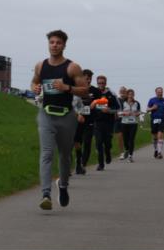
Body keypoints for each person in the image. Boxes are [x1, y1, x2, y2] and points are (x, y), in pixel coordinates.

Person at [31, 30, 88, 210]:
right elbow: (34, 82)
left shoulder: (72, 67)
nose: (54, 45)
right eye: (52, 42)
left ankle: (63, 185)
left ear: (64, 45)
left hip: (66, 116)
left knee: (64, 155)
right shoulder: (41, 66)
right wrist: (35, 88)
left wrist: (67, 88)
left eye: (58, 43)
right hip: (46, 115)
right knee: (46, 153)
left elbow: (85, 90)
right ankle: (45, 194)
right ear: (48, 44)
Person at [89, 74, 119, 171]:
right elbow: (89, 106)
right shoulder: (93, 93)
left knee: (107, 143)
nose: (101, 85)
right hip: (97, 122)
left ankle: (108, 153)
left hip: (108, 122)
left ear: (105, 83)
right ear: (97, 83)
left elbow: (117, 108)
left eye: (103, 83)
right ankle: (101, 164)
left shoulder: (111, 94)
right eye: (99, 83)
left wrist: (109, 110)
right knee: (98, 143)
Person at [77, 69, 98, 172]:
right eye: (86, 78)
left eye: (90, 78)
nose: (88, 80)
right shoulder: (76, 89)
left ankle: (83, 164)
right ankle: (77, 163)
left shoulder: (95, 91)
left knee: (87, 142)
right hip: (77, 120)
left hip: (89, 120)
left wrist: (96, 104)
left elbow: (102, 103)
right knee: (76, 143)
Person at [118, 88, 142, 162]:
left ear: (134, 95)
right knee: (125, 140)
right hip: (124, 123)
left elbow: (139, 112)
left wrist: (137, 114)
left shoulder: (137, 103)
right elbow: (118, 113)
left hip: (133, 124)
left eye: (132, 94)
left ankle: (130, 156)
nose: (130, 96)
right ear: (127, 95)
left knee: (131, 139)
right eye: (129, 94)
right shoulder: (123, 103)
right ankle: (127, 150)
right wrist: (124, 113)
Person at [146, 87, 164, 159]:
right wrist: (152, 108)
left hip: (162, 119)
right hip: (154, 119)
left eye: (161, 92)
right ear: (156, 92)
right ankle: (156, 150)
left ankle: (159, 152)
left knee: (160, 135)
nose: (160, 93)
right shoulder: (152, 100)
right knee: (154, 137)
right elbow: (147, 109)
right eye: (159, 92)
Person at [116, 86, 128, 159]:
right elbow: (113, 109)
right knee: (120, 136)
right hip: (118, 120)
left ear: (126, 92)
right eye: (121, 91)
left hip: (127, 121)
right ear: (119, 92)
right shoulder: (116, 100)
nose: (122, 92)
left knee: (126, 137)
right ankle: (121, 153)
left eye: (124, 91)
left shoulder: (129, 100)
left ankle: (127, 150)